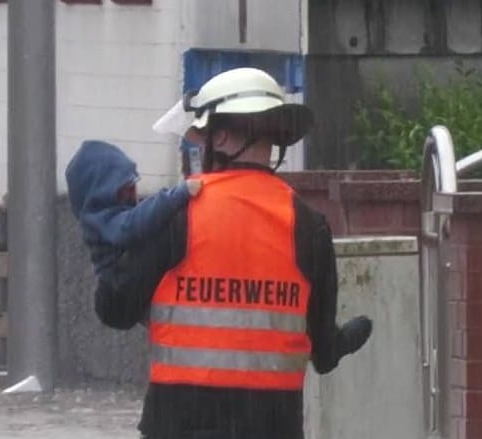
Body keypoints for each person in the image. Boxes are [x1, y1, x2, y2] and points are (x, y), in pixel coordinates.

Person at [94, 67, 374, 439]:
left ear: (221, 136)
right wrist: (343, 340)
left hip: (179, 426)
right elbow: (323, 352)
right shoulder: (308, 227)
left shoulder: (176, 213)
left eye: (204, 137)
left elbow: (114, 309)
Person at [65, 140, 202, 286]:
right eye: (127, 186)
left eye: (133, 184)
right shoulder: (101, 222)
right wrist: (178, 194)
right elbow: (135, 223)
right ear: (102, 192)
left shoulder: (118, 213)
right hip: (117, 291)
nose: (133, 192)